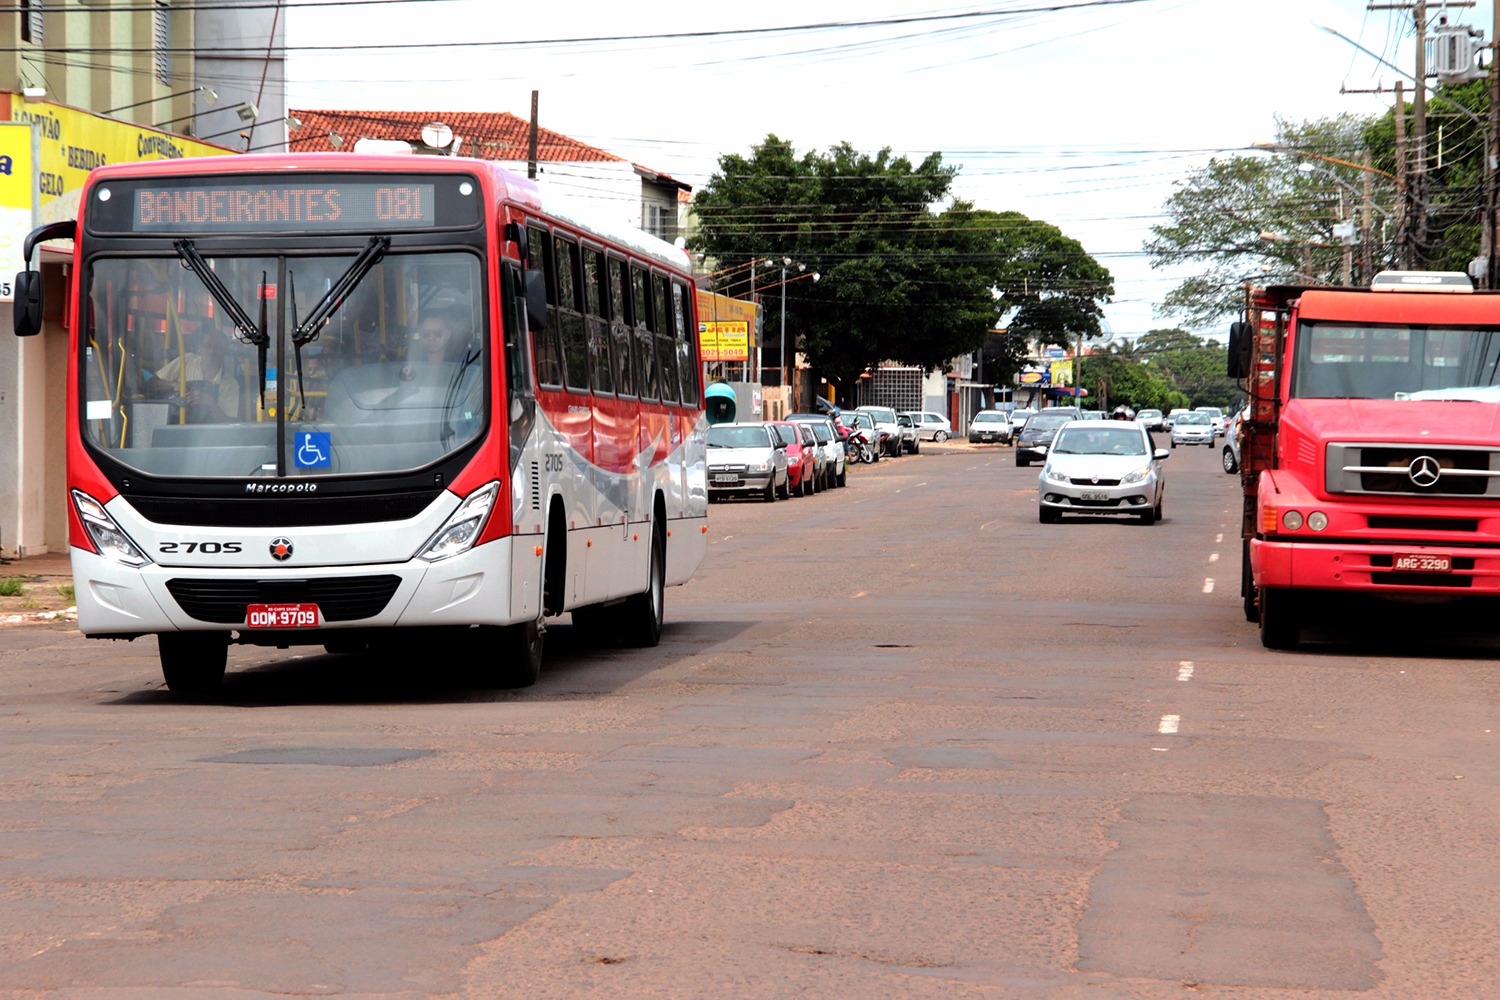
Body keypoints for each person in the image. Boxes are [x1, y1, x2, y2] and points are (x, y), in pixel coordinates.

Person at [147, 330, 240, 422]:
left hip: (207, 435)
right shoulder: (186, 361)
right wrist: (174, 386)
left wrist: (211, 404)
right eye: (207, 346)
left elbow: (230, 424)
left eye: (218, 348)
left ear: (225, 352)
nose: (212, 351)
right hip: (172, 426)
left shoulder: (230, 384)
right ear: (199, 348)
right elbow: (149, 385)